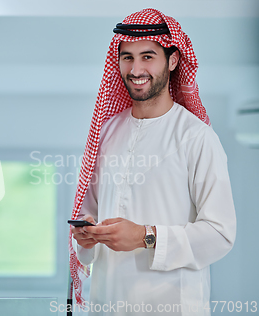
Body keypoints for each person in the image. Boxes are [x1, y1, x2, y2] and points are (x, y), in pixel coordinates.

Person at [69, 8, 236, 316]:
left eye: (148, 56)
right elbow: (89, 209)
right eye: (128, 57)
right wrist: (87, 234)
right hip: (107, 305)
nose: (135, 68)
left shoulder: (196, 137)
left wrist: (146, 236)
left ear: (172, 61)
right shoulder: (106, 132)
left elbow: (220, 234)